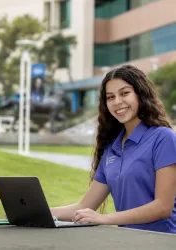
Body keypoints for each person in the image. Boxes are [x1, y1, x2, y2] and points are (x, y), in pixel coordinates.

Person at [50, 65, 176, 233]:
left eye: (124, 93)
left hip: (164, 241)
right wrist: (36, 212)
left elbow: (163, 207)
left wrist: (104, 218)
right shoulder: (112, 149)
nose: (117, 102)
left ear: (141, 94)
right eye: (110, 97)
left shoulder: (163, 138)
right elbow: (84, 206)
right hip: (128, 242)